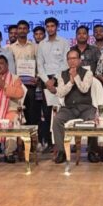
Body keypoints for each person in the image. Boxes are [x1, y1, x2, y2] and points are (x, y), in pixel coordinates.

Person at [51, 48, 100, 164]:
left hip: (85, 107)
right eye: (69, 59)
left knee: (93, 120)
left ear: (79, 60)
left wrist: (76, 77)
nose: (72, 61)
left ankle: (92, 151)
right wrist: (71, 82)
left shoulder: (88, 73)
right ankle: (61, 151)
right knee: (57, 120)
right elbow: (60, 93)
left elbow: (84, 89)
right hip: (69, 108)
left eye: (74, 58)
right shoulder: (62, 74)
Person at [36, 17, 70, 151]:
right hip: (45, 81)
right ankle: (50, 143)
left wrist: (54, 79)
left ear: (57, 27)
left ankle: (62, 142)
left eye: (52, 26)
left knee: (60, 110)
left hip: (60, 79)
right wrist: (46, 81)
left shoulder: (64, 42)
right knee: (47, 112)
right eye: (48, 26)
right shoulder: (41, 44)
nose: (50, 28)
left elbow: (65, 63)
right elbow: (40, 64)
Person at [8, 20, 39, 129]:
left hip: (30, 84)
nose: (22, 30)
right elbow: (10, 67)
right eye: (20, 28)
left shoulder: (34, 47)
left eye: (24, 28)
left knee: (31, 111)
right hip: (16, 85)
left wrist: (37, 77)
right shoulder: (10, 48)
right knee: (17, 111)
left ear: (28, 30)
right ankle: (18, 136)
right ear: (17, 30)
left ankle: (32, 136)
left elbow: (39, 63)